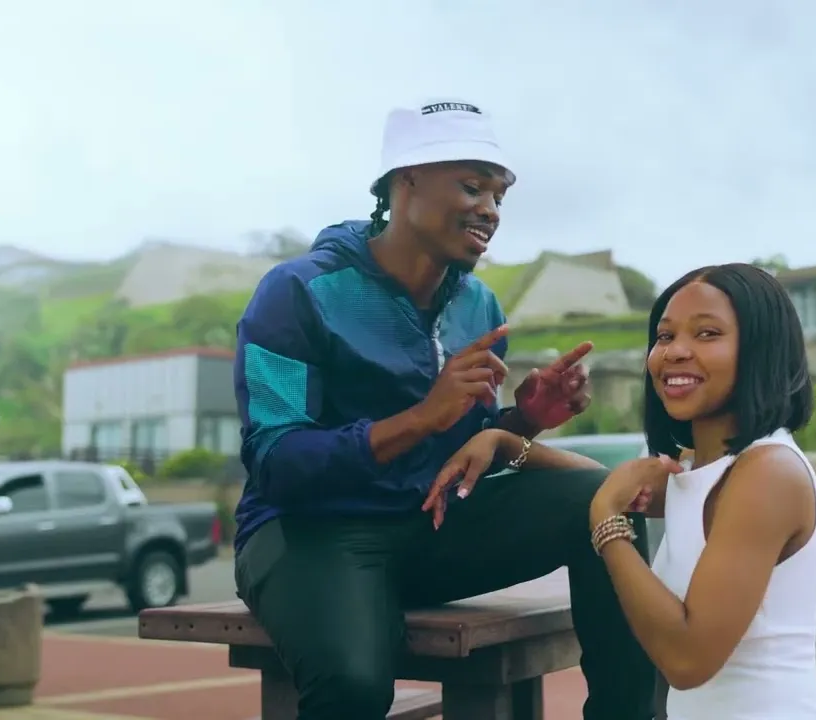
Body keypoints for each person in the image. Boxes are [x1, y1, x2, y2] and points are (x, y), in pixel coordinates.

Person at [231, 98, 656, 720]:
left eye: (499, 196)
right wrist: (419, 418)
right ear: (405, 181)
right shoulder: (296, 292)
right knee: (353, 685)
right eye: (472, 187)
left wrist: (525, 420)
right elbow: (275, 461)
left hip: (431, 527)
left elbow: (462, 454)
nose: (490, 209)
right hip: (310, 533)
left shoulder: (478, 307)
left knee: (604, 500)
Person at [436, 263, 816, 719]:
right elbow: (610, 479)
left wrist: (607, 525)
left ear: (762, 350)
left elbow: (687, 660)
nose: (675, 351)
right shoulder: (711, 469)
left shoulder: (766, 474)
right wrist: (509, 445)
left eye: (707, 334)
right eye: (665, 336)